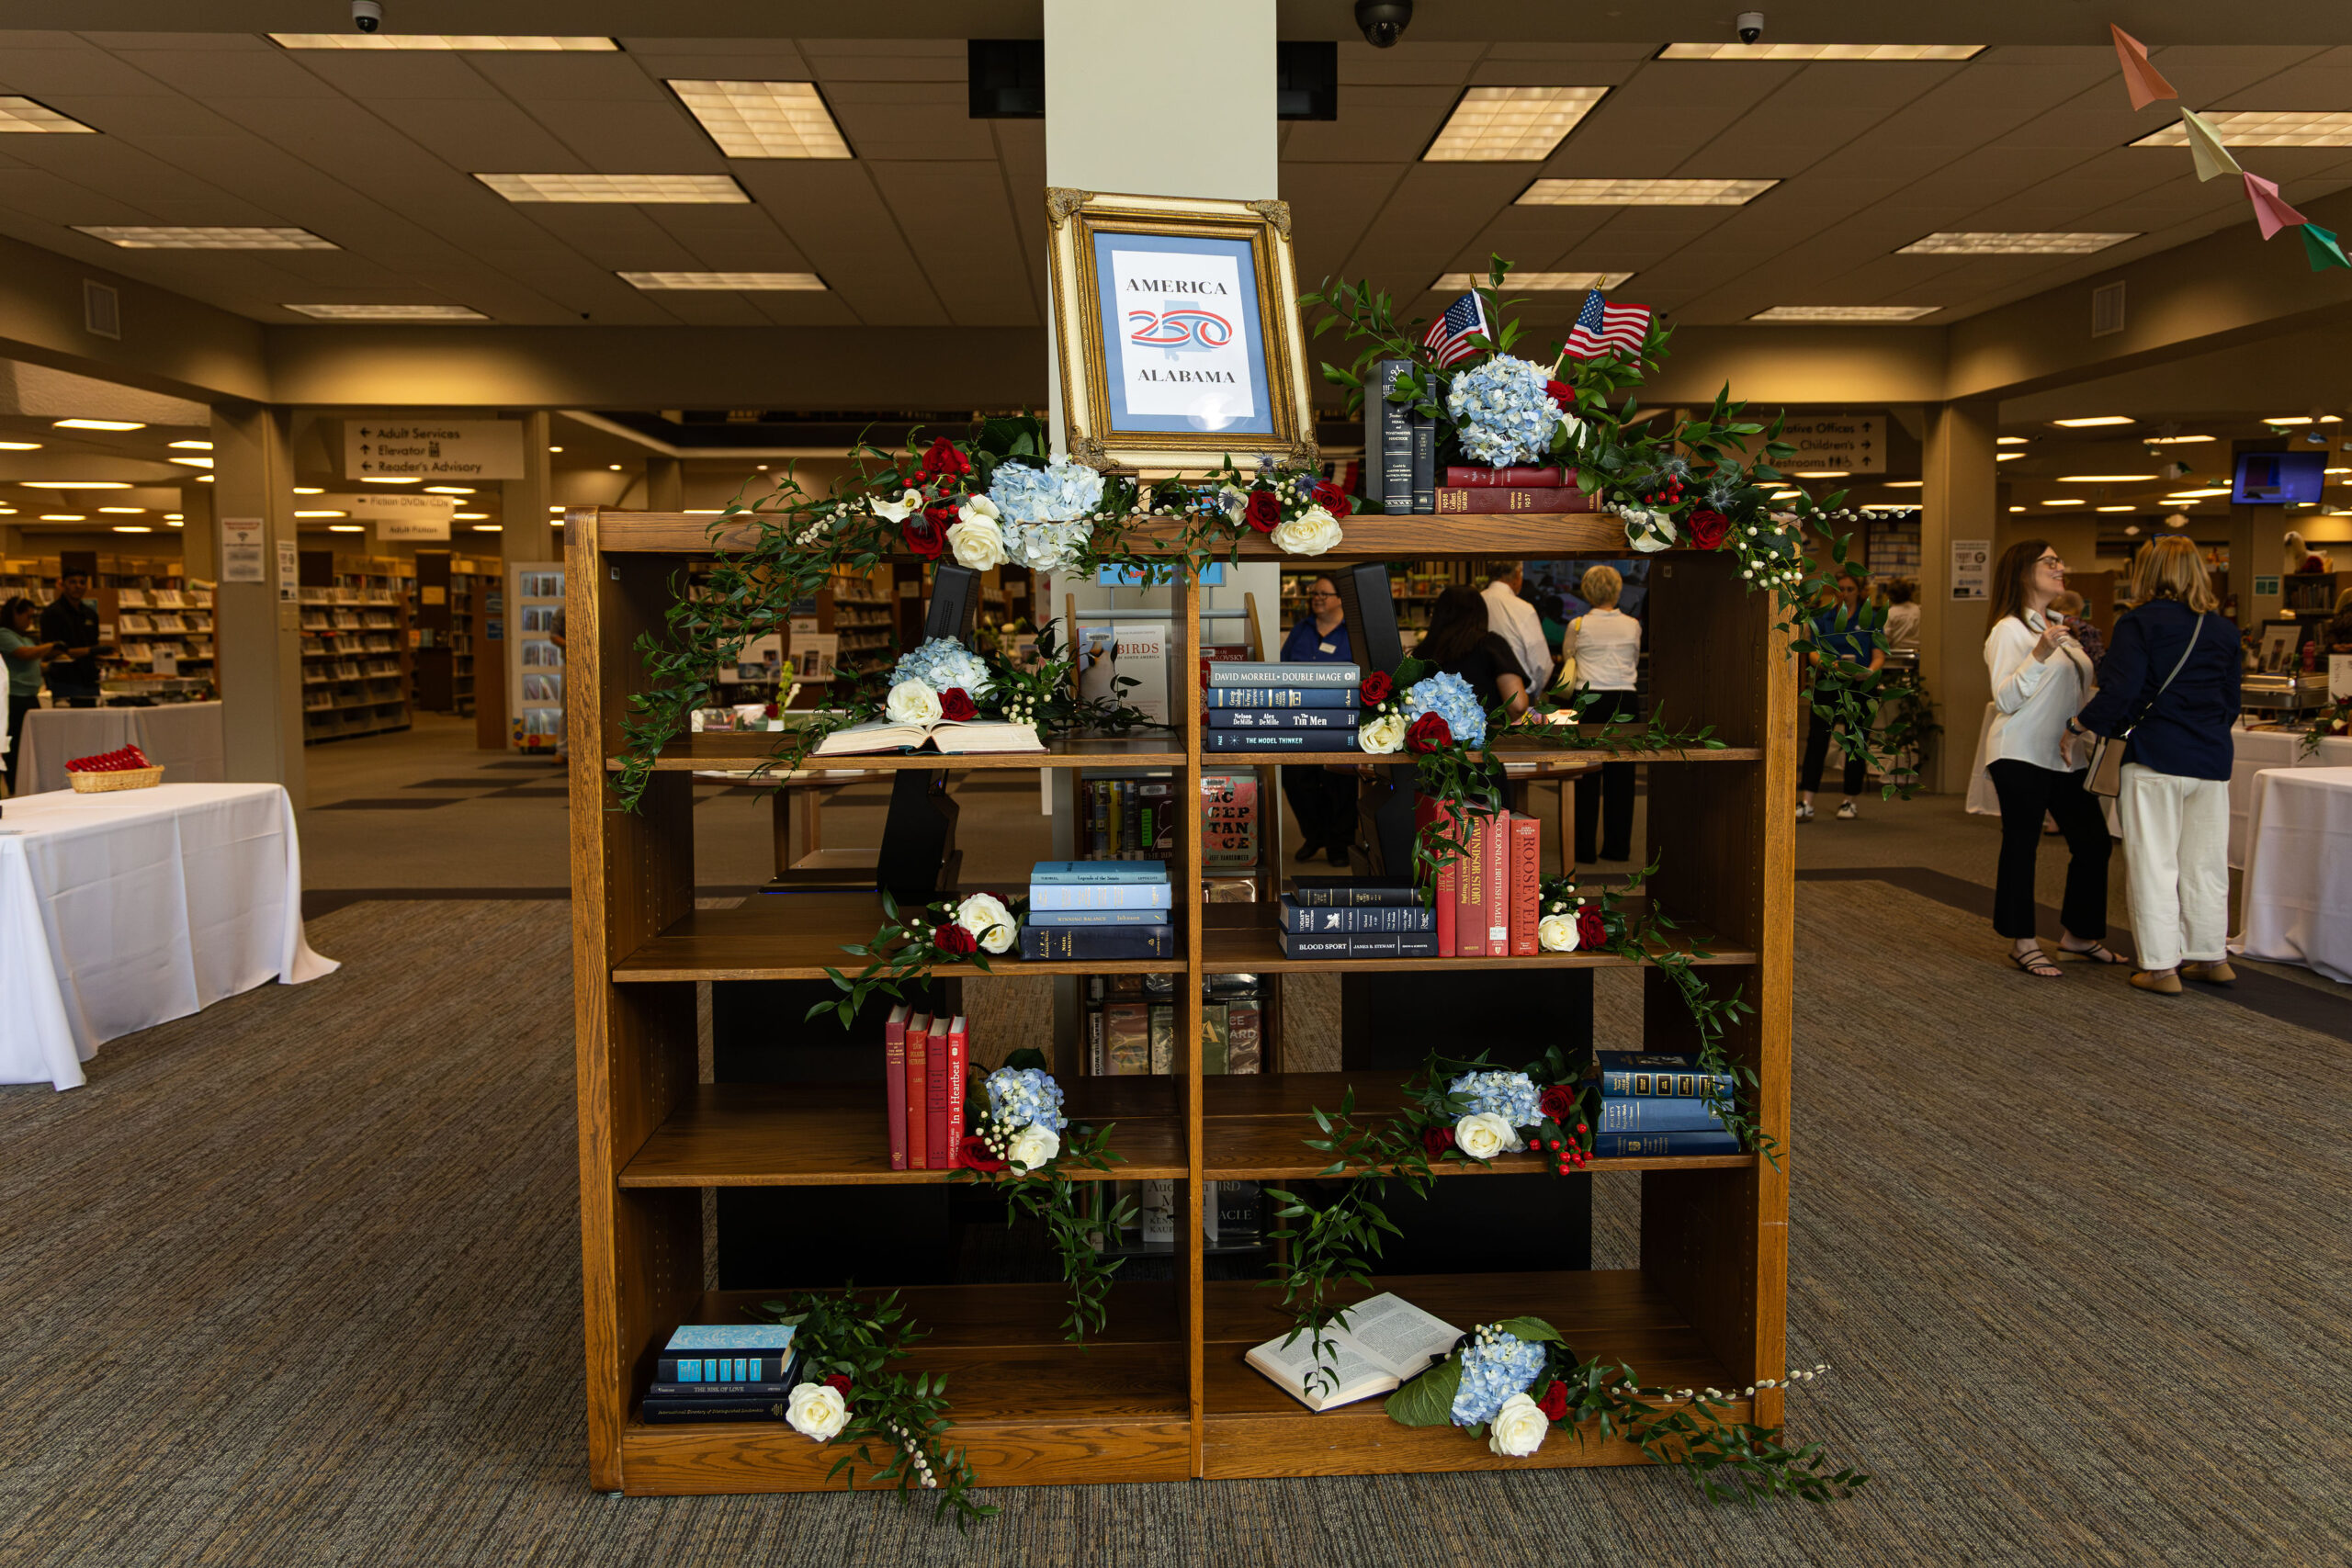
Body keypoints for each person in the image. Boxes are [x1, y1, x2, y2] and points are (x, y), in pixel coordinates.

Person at [2072, 537, 2240, 997]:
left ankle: (2162, 967)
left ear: (2147, 573)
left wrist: (2078, 723)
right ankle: (2210, 956)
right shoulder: (2224, 630)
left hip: (2154, 756)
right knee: (2205, 864)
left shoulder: (2138, 622)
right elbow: (2231, 702)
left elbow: (2121, 691)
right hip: (2209, 759)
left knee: (2154, 863)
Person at [1981, 539, 2124, 979]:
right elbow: (2005, 697)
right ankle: (2022, 941)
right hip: (2020, 751)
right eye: (2050, 561)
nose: (2061, 566)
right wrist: (2040, 654)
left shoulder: (2061, 625)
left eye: (2060, 560)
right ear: (2024, 571)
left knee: (2093, 842)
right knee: (2022, 845)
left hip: (2064, 753)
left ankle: (2078, 935)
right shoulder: (2009, 630)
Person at [1278, 576, 1358, 866]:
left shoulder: (1353, 633)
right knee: (1297, 781)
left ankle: (1339, 844)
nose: (1317, 598)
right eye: (1315, 593)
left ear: (1340, 599)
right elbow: (1283, 669)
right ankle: (1315, 835)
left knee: (1340, 785)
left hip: (1341, 722)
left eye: (1325, 593)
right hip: (1298, 721)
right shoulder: (1301, 630)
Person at [1566, 565, 1643, 863]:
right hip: (1625, 700)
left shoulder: (1578, 624)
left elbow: (1568, 656)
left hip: (1586, 699)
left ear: (1587, 591)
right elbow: (1634, 658)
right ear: (1617, 589)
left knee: (1584, 773)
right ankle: (1617, 847)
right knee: (1621, 778)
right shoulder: (1633, 624)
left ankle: (1583, 849)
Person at [1796, 568, 1886, 822]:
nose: (1844, 594)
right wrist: (1827, 665)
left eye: (1850, 589)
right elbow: (1811, 652)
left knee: (1855, 744)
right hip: (1828, 685)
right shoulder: (1823, 617)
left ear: (1860, 592)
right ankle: (1806, 801)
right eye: (1840, 589)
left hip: (1860, 687)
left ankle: (1849, 801)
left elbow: (1879, 656)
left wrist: (1867, 672)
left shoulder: (1871, 618)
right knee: (1817, 742)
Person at [1415, 586, 1530, 717]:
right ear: (1481, 613)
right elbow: (1517, 705)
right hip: (1487, 735)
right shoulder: (1492, 645)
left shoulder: (1423, 652)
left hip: (1433, 736)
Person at [1, 596, 59, 794]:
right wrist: (51, 647)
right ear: (14, 614)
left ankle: (28, 785)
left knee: (32, 744)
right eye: (28, 616)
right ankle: (14, 787)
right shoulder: (4, 634)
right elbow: (24, 654)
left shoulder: (26, 637)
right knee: (15, 747)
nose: (30, 621)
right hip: (14, 699)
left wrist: (52, 665)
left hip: (31, 697)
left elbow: (32, 662)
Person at [1479, 561, 1554, 698]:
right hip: (1519, 694)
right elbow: (1541, 664)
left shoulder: (1476, 602)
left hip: (1479, 693)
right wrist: (1533, 694)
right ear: (1517, 575)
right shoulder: (1523, 608)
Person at [40, 572, 103, 708]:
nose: (78, 586)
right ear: (63, 585)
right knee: (69, 726)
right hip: (64, 681)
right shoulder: (52, 613)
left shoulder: (90, 614)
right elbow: (51, 651)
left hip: (90, 680)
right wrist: (88, 651)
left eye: (82, 582)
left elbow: (94, 644)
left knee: (93, 725)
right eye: (73, 582)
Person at [2048, 590, 2106, 679]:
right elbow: (2098, 660)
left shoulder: (2048, 625)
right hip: (2081, 678)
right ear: (2078, 609)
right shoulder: (2086, 629)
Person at [1883, 580, 1920, 651]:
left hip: (1897, 655)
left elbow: (1885, 640)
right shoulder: (1919, 610)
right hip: (1919, 654)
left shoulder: (1890, 613)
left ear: (1890, 596)